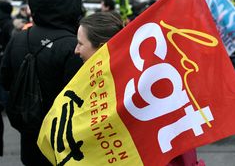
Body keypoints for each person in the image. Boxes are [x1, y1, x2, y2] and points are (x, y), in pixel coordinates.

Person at [74, 12, 204, 166]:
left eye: (81, 43)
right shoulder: (143, 78)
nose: (76, 50)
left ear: (102, 49)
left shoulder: (127, 90)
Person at [0, 0, 84, 166]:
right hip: (63, 141)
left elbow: (6, 80)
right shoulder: (74, 46)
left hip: (28, 132)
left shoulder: (19, 38)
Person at [0, 0, 14, 157]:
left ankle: (3, 105)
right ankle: (5, 106)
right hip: (2, 61)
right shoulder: (8, 23)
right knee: (2, 87)